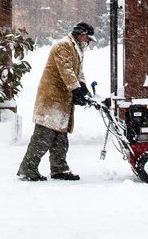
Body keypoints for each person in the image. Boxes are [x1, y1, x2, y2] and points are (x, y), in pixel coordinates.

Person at [17, 22, 96, 181]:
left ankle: (59, 168)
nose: (88, 41)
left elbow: (78, 72)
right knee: (44, 135)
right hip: (51, 97)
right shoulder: (63, 46)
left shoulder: (78, 49)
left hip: (62, 98)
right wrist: (75, 89)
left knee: (61, 135)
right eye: (88, 38)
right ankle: (27, 168)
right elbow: (66, 70)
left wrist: (83, 88)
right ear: (81, 34)